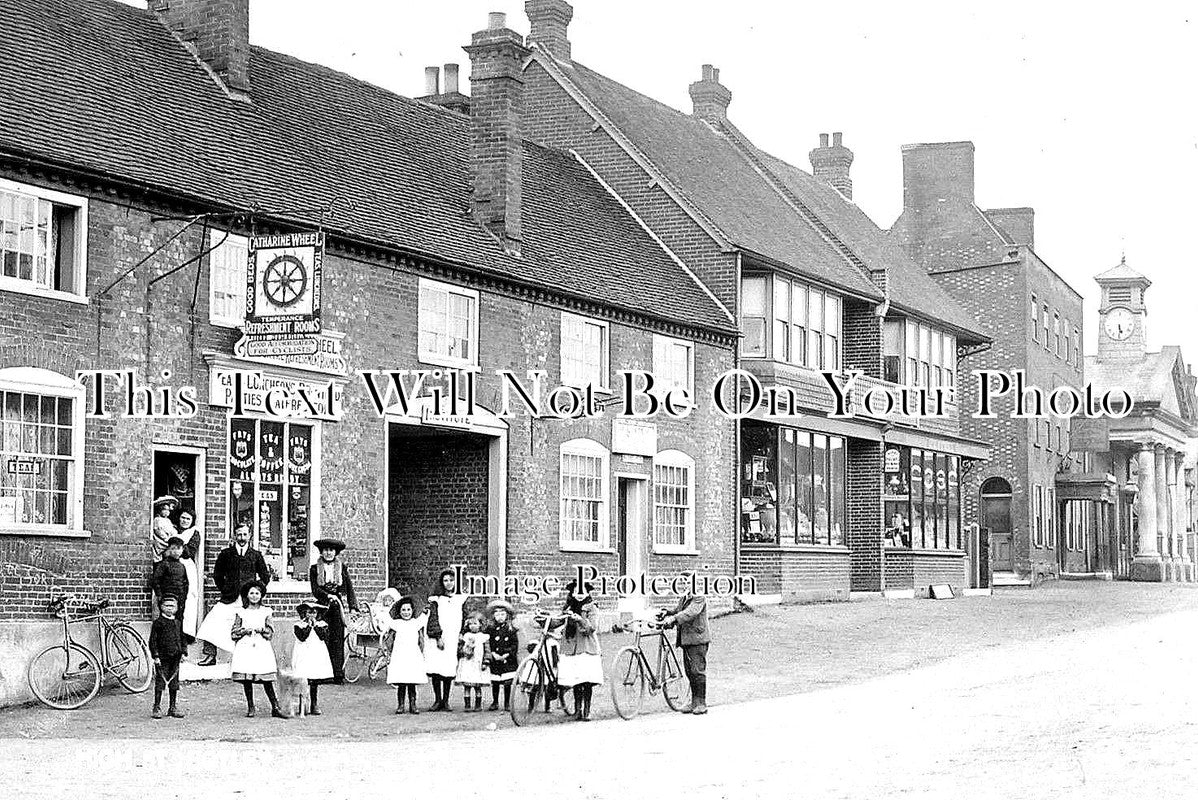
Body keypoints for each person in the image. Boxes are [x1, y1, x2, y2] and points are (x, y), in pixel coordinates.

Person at [196, 523, 270, 667]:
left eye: (244, 534)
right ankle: (210, 656)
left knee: (248, 628)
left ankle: (250, 661)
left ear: (250, 536)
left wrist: (255, 592)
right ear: (234, 536)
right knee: (211, 622)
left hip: (247, 601)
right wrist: (225, 589)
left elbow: (265, 577)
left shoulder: (256, 555)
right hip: (229, 598)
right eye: (239, 534)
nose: (242, 538)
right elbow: (217, 575)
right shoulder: (226, 554)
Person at [230, 580, 284, 719]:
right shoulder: (241, 612)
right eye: (251, 593)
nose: (254, 596)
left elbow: (270, 632)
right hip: (246, 646)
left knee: (266, 678)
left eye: (257, 593)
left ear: (261, 595)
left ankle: (275, 706)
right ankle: (251, 706)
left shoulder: (266, 611)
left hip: (261, 645)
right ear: (247, 595)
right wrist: (243, 631)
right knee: (247, 678)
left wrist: (262, 630)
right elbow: (234, 632)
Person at [308, 538, 357, 684]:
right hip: (322, 607)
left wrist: (353, 606)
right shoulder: (314, 568)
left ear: (335, 552)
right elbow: (315, 589)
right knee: (323, 638)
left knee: (337, 639)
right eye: (325, 550)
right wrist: (326, 595)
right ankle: (322, 674)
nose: (328, 553)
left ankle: (337, 674)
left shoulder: (342, 568)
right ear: (321, 552)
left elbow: (349, 588)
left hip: (337, 606)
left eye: (331, 550)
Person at [659, 574, 710, 715]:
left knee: (697, 671)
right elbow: (679, 611)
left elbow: (690, 613)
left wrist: (673, 619)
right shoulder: (685, 597)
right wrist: (667, 612)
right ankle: (694, 702)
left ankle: (701, 703)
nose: (686, 584)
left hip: (698, 640)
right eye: (684, 582)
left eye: (689, 582)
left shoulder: (699, 597)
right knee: (689, 672)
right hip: (686, 640)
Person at [557, 580, 603, 722]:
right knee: (576, 679)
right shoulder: (568, 607)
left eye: (582, 592)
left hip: (586, 648)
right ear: (572, 593)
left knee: (587, 680)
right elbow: (558, 621)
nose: (579, 595)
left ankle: (587, 711)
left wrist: (580, 620)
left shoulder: (592, 608)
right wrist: (543, 619)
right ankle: (578, 711)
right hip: (571, 648)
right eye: (577, 592)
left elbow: (592, 627)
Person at [424, 568, 466, 711]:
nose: (449, 583)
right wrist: (437, 636)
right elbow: (433, 618)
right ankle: (437, 699)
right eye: (446, 580)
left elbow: (465, 617)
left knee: (448, 669)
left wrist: (462, 633)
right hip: (439, 638)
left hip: (452, 637)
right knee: (437, 668)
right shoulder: (436, 599)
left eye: (451, 580)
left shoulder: (460, 599)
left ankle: (446, 700)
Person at [291, 599, 333, 716]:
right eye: (309, 612)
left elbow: (323, 636)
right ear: (304, 613)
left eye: (314, 612)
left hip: (316, 652)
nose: (311, 615)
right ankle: (302, 704)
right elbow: (302, 637)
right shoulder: (299, 625)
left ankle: (314, 703)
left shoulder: (322, 625)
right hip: (304, 652)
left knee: (314, 678)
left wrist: (315, 626)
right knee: (303, 677)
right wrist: (309, 627)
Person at [386, 596, 427, 715]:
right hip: (400, 655)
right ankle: (401, 705)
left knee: (411, 682)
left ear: (412, 611)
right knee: (401, 682)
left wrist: (421, 652)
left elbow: (421, 640)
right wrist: (390, 652)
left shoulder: (416, 623)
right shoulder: (396, 624)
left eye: (408, 610)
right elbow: (390, 640)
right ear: (399, 611)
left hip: (412, 655)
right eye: (403, 610)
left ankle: (413, 705)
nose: (406, 612)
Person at [149, 595, 186, 719]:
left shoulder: (177, 622)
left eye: (172, 606)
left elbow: (181, 638)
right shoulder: (158, 623)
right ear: (161, 607)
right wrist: (156, 655)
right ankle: (157, 706)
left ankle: (172, 707)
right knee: (161, 682)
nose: (169, 609)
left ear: (177, 608)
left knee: (174, 683)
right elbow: (153, 641)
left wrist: (183, 652)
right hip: (163, 658)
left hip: (175, 657)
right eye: (167, 606)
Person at [148, 536, 189, 636]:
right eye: (173, 548)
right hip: (167, 598)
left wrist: (184, 597)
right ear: (169, 549)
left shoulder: (182, 566)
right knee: (165, 622)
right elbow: (155, 580)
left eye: (178, 549)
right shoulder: (164, 564)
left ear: (182, 550)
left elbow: (185, 582)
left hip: (179, 599)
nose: (176, 552)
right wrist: (160, 595)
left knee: (178, 622)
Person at [485, 599, 519, 711]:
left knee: (507, 682)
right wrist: (493, 654)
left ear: (507, 616)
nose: (500, 617)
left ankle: (507, 703)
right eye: (497, 614)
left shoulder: (511, 630)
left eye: (503, 614)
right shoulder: (490, 629)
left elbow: (514, 645)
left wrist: (507, 654)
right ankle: (495, 702)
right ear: (493, 616)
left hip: (508, 660)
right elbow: (489, 643)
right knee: (495, 682)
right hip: (495, 659)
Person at [175, 509, 202, 643]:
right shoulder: (173, 529)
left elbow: (189, 552)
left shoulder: (193, 533)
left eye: (188, 519)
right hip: (172, 567)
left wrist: (175, 545)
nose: (184, 521)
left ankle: (185, 634)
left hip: (186, 568)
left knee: (187, 599)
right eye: (183, 518)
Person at [456, 612, 489, 711]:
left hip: (477, 663)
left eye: (475, 623)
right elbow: (459, 649)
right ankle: (467, 705)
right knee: (467, 685)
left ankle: (478, 705)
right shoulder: (465, 636)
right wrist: (464, 650)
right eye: (470, 624)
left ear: (481, 625)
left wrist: (485, 662)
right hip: (467, 663)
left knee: (477, 685)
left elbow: (487, 650)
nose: (472, 626)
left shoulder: (484, 637)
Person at [151, 496, 178, 563]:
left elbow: (172, 530)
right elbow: (159, 532)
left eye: (168, 510)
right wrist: (168, 539)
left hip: (170, 540)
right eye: (164, 509)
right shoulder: (157, 520)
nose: (167, 512)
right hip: (162, 542)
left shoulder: (168, 520)